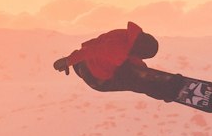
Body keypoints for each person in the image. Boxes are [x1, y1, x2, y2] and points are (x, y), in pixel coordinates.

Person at [53, 22, 182, 103]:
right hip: (96, 80)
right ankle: (170, 92)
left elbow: (93, 46)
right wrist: (68, 60)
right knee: (136, 83)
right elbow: (92, 51)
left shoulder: (124, 35)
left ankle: (165, 89)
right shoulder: (117, 50)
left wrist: (146, 72)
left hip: (85, 65)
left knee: (136, 75)